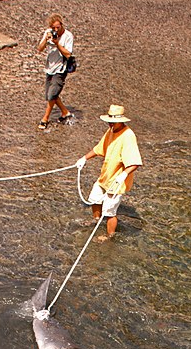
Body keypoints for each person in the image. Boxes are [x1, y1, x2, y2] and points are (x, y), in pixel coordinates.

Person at [76, 104, 142, 241]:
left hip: (117, 180)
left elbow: (135, 162)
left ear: (121, 121)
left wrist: (123, 175)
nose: (110, 125)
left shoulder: (128, 136)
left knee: (110, 211)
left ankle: (109, 235)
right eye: (109, 122)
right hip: (105, 176)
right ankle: (96, 220)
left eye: (113, 122)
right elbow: (99, 148)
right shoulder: (111, 131)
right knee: (94, 199)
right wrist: (84, 158)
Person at [37, 13, 74, 130]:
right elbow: (40, 48)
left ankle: (45, 119)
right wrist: (46, 39)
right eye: (54, 28)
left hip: (61, 69)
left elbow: (68, 54)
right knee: (50, 95)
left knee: (52, 94)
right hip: (49, 68)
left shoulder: (68, 36)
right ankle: (65, 113)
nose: (56, 30)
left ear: (62, 25)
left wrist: (57, 43)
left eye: (58, 27)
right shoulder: (48, 33)